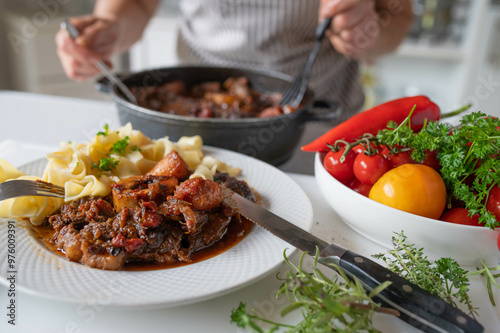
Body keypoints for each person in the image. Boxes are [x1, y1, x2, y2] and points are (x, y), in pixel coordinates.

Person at [56, 0, 413, 174]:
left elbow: (397, 14)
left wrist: (366, 27)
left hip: (318, 133)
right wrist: (110, 27)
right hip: (189, 131)